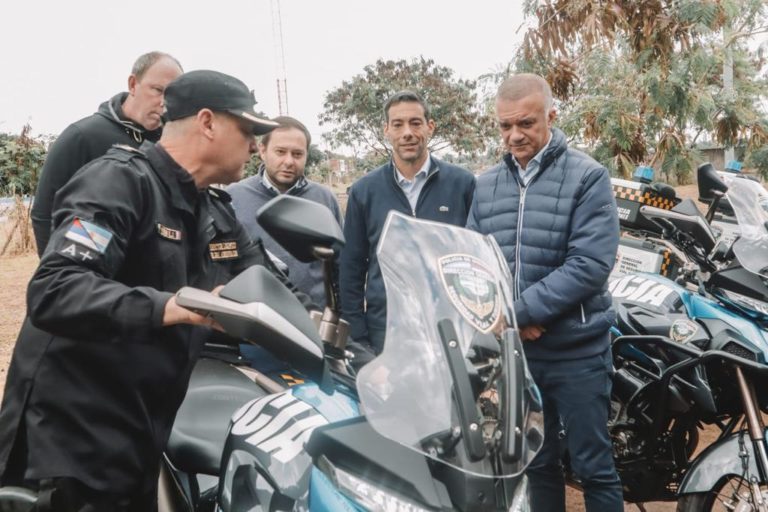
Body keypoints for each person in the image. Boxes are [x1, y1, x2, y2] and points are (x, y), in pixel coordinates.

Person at [0, 70, 313, 511]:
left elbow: (264, 282)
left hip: (142, 424)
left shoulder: (212, 209)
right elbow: (56, 289)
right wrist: (173, 306)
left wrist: (333, 338)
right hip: (74, 434)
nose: (252, 145)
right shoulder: (116, 183)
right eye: (247, 131)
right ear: (207, 123)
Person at [466, 73, 622, 511]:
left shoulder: (588, 177)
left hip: (577, 353)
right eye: (504, 125)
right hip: (518, 356)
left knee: (593, 467)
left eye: (527, 123)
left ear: (551, 116)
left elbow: (589, 265)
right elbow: (474, 263)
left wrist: (518, 313)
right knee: (536, 464)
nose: (515, 135)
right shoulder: (485, 185)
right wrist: (508, 319)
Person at [339, 90, 476, 356]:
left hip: (450, 331)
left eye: (415, 123)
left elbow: (475, 261)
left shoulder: (463, 184)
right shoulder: (364, 191)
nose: (407, 133)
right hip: (387, 331)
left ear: (430, 127)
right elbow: (351, 269)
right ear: (386, 130)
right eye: (398, 124)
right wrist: (359, 340)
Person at [31, 51, 183, 256]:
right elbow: (44, 212)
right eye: (157, 90)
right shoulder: (82, 136)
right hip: (92, 270)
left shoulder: (169, 143)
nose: (164, 102)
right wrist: (59, 274)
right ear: (132, 84)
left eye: (171, 94)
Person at [228, 116, 343, 308]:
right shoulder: (232, 198)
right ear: (262, 150)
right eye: (280, 152)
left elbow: (340, 263)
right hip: (255, 320)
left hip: (315, 320)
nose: (289, 161)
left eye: (297, 154)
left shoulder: (324, 199)